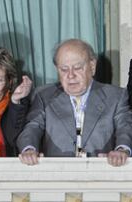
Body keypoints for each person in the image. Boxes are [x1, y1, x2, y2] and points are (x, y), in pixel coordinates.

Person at [17, 39, 132, 167]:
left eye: (77, 68)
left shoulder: (116, 96)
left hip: (101, 175)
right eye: (64, 69)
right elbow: (32, 127)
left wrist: (122, 150)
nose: (70, 75)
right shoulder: (43, 96)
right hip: (57, 176)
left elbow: (125, 127)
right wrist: (29, 149)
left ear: (92, 67)